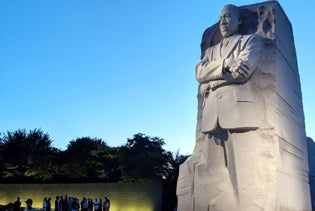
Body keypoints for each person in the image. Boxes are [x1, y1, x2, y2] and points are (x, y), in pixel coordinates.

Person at [177, 4, 264, 210]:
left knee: (244, 174)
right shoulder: (211, 50)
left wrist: (211, 80)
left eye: (228, 16)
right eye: (221, 18)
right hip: (211, 117)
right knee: (212, 176)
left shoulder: (251, 40)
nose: (223, 21)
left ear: (239, 20)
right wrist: (226, 64)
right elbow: (199, 73)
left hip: (238, 113)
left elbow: (244, 71)